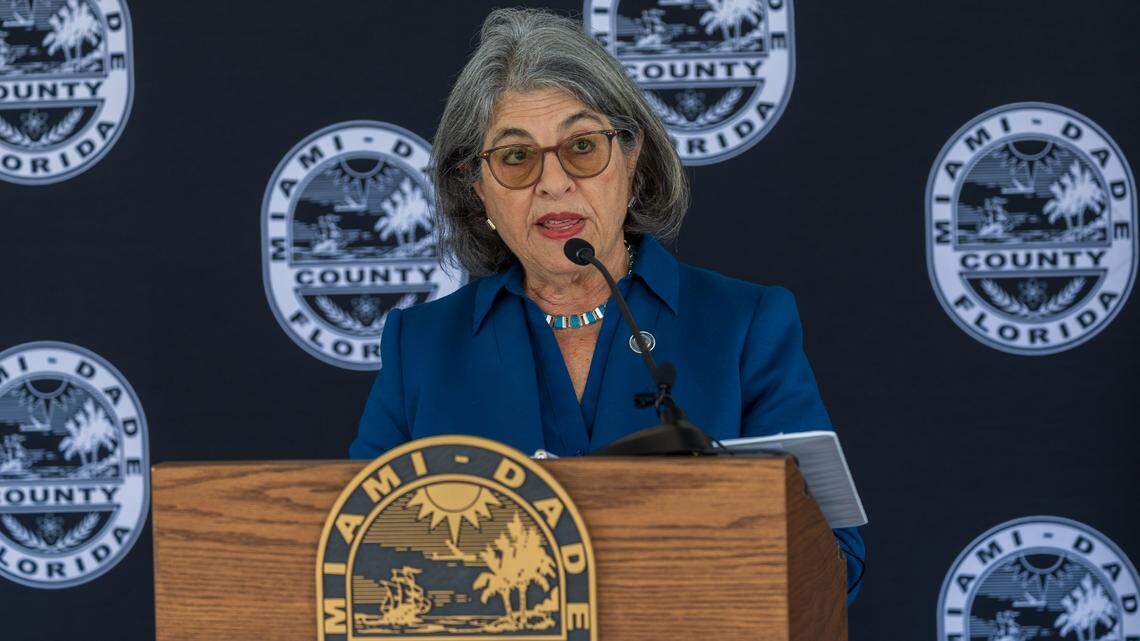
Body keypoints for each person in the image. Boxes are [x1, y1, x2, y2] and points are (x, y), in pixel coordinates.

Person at [351, 8, 864, 602]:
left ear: (631, 159)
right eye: (516, 157)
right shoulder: (421, 346)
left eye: (583, 147)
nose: (554, 182)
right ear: (477, 186)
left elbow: (833, 563)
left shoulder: (746, 325)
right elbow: (362, 556)